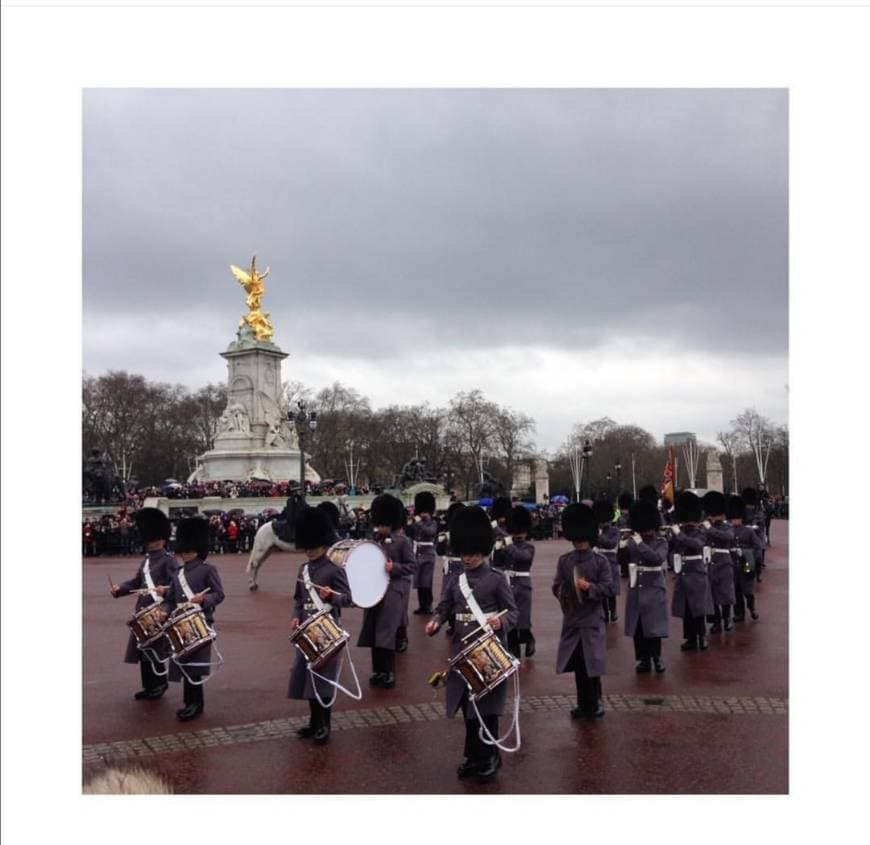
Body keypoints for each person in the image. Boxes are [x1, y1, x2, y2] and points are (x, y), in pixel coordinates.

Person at [426, 506, 518, 784]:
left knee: (487, 709)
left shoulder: (496, 580)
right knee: (469, 710)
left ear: (484, 551)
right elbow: (445, 607)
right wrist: (436, 621)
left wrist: (500, 624)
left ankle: (489, 756)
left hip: (487, 653)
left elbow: (513, 612)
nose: (467, 557)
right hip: (462, 653)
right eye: (464, 552)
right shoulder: (456, 580)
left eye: (472, 553)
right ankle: (473, 756)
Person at [289, 507, 352, 745]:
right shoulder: (303, 569)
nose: (309, 551)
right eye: (306, 546)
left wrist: (331, 596)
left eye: (312, 547)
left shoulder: (334, 570)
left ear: (323, 544)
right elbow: (298, 599)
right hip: (306, 629)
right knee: (308, 676)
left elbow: (348, 599)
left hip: (326, 629)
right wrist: (296, 616)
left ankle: (325, 724)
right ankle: (314, 722)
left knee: (323, 678)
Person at [160, 517, 225, 721]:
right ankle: (189, 703)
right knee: (184, 663)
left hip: (199, 622)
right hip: (180, 623)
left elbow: (219, 594)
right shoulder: (177, 573)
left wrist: (204, 598)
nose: (185, 553)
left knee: (194, 666)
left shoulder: (208, 569)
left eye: (189, 549)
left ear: (197, 548)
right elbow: (171, 599)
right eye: (184, 550)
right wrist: (165, 610)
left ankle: (196, 704)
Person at [553, 503, 613, 719]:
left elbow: (609, 587)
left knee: (592, 664)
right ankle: (583, 703)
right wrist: (565, 590)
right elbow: (556, 586)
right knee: (579, 665)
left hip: (591, 619)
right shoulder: (565, 561)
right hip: (572, 619)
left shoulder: (600, 561)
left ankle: (596, 701)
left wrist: (590, 588)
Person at [110, 508, 177, 700]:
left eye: (155, 540)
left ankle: (160, 683)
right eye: (150, 540)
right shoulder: (146, 562)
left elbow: (178, 585)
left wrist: (166, 591)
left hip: (159, 611)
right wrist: (119, 590)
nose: (152, 544)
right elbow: (135, 583)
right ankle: (149, 686)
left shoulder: (169, 561)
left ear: (163, 540)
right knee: (144, 650)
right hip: (143, 611)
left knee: (155, 650)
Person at [357, 494, 416, 689]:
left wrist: (395, 568)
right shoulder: (375, 540)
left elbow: (411, 566)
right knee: (374, 631)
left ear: (390, 522)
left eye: (383, 523)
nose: (379, 527)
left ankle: (389, 672)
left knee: (386, 633)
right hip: (374, 591)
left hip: (393, 591)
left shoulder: (402, 541)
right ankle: (379, 671)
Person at [624, 500, 669, 673]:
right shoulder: (634, 541)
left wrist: (639, 544)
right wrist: (622, 546)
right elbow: (623, 561)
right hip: (637, 587)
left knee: (654, 627)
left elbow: (657, 559)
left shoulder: (661, 542)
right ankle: (643, 659)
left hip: (654, 587)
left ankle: (657, 658)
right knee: (639, 627)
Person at [670, 491, 714, 652]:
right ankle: (689, 638)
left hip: (696, 571)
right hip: (683, 571)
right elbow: (673, 547)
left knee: (698, 608)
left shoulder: (700, 531)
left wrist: (679, 534)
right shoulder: (680, 530)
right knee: (686, 608)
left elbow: (696, 545)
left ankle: (701, 637)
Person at [502, 505, 536, 659]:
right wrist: (497, 548)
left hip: (522, 585)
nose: (519, 534)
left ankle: (529, 639)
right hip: (508, 584)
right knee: (510, 621)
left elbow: (522, 558)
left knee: (522, 620)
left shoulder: (529, 547)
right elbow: (497, 562)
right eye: (517, 531)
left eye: (521, 531)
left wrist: (508, 546)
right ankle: (513, 651)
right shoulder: (506, 545)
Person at [702, 491, 736, 634]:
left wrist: (710, 529)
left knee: (726, 593)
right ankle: (715, 621)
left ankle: (727, 619)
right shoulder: (706, 525)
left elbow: (728, 537)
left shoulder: (727, 526)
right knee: (712, 593)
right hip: (711, 562)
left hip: (724, 562)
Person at [728, 494, 764, 622]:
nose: (735, 521)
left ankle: (752, 608)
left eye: (737, 519)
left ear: (741, 519)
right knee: (736, 591)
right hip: (733, 565)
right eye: (733, 519)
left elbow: (758, 546)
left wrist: (755, 560)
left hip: (746, 564)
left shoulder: (748, 531)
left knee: (747, 590)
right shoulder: (728, 531)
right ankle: (739, 614)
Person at [436, 502, 467, 638]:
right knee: (446, 595)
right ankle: (451, 622)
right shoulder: (447, 531)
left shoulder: (465, 532)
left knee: (460, 596)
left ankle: (457, 624)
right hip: (449, 568)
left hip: (460, 567)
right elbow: (439, 551)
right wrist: (441, 541)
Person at [409, 491, 438, 615]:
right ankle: (422, 606)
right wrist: (411, 521)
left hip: (428, 554)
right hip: (418, 553)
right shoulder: (416, 521)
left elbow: (430, 532)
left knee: (427, 582)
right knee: (419, 582)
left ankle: (428, 605)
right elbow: (409, 532)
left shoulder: (433, 523)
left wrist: (419, 522)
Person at [594, 498, 620, 623]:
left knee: (611, 589)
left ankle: (613, 611)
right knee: (601, 589)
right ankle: (604, 612)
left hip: (611, 562)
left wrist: (599, 536)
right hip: (598, 562)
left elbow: (611, 544)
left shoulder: (614, 531)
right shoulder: (596, 530)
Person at [489, 496, 513, 571]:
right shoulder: (493, 524)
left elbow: (510, 540)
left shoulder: (510, 524)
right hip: (496, 553)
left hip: (508, 554)